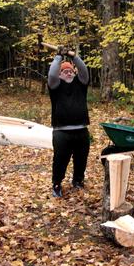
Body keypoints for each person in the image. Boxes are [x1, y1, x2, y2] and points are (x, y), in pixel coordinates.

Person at [48, 46, 90, 198]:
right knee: (60, 160)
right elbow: (52, 74)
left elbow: (84, 70)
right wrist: (59, 57)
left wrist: (74, 57)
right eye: (64, 70)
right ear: (60, 74)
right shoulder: (55, 86)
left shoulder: (81, 83)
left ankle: (78, 181)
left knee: (81, 159)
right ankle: (57, 185)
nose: (68, 71)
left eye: (70, 70)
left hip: (81, 130)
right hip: (61, 132)